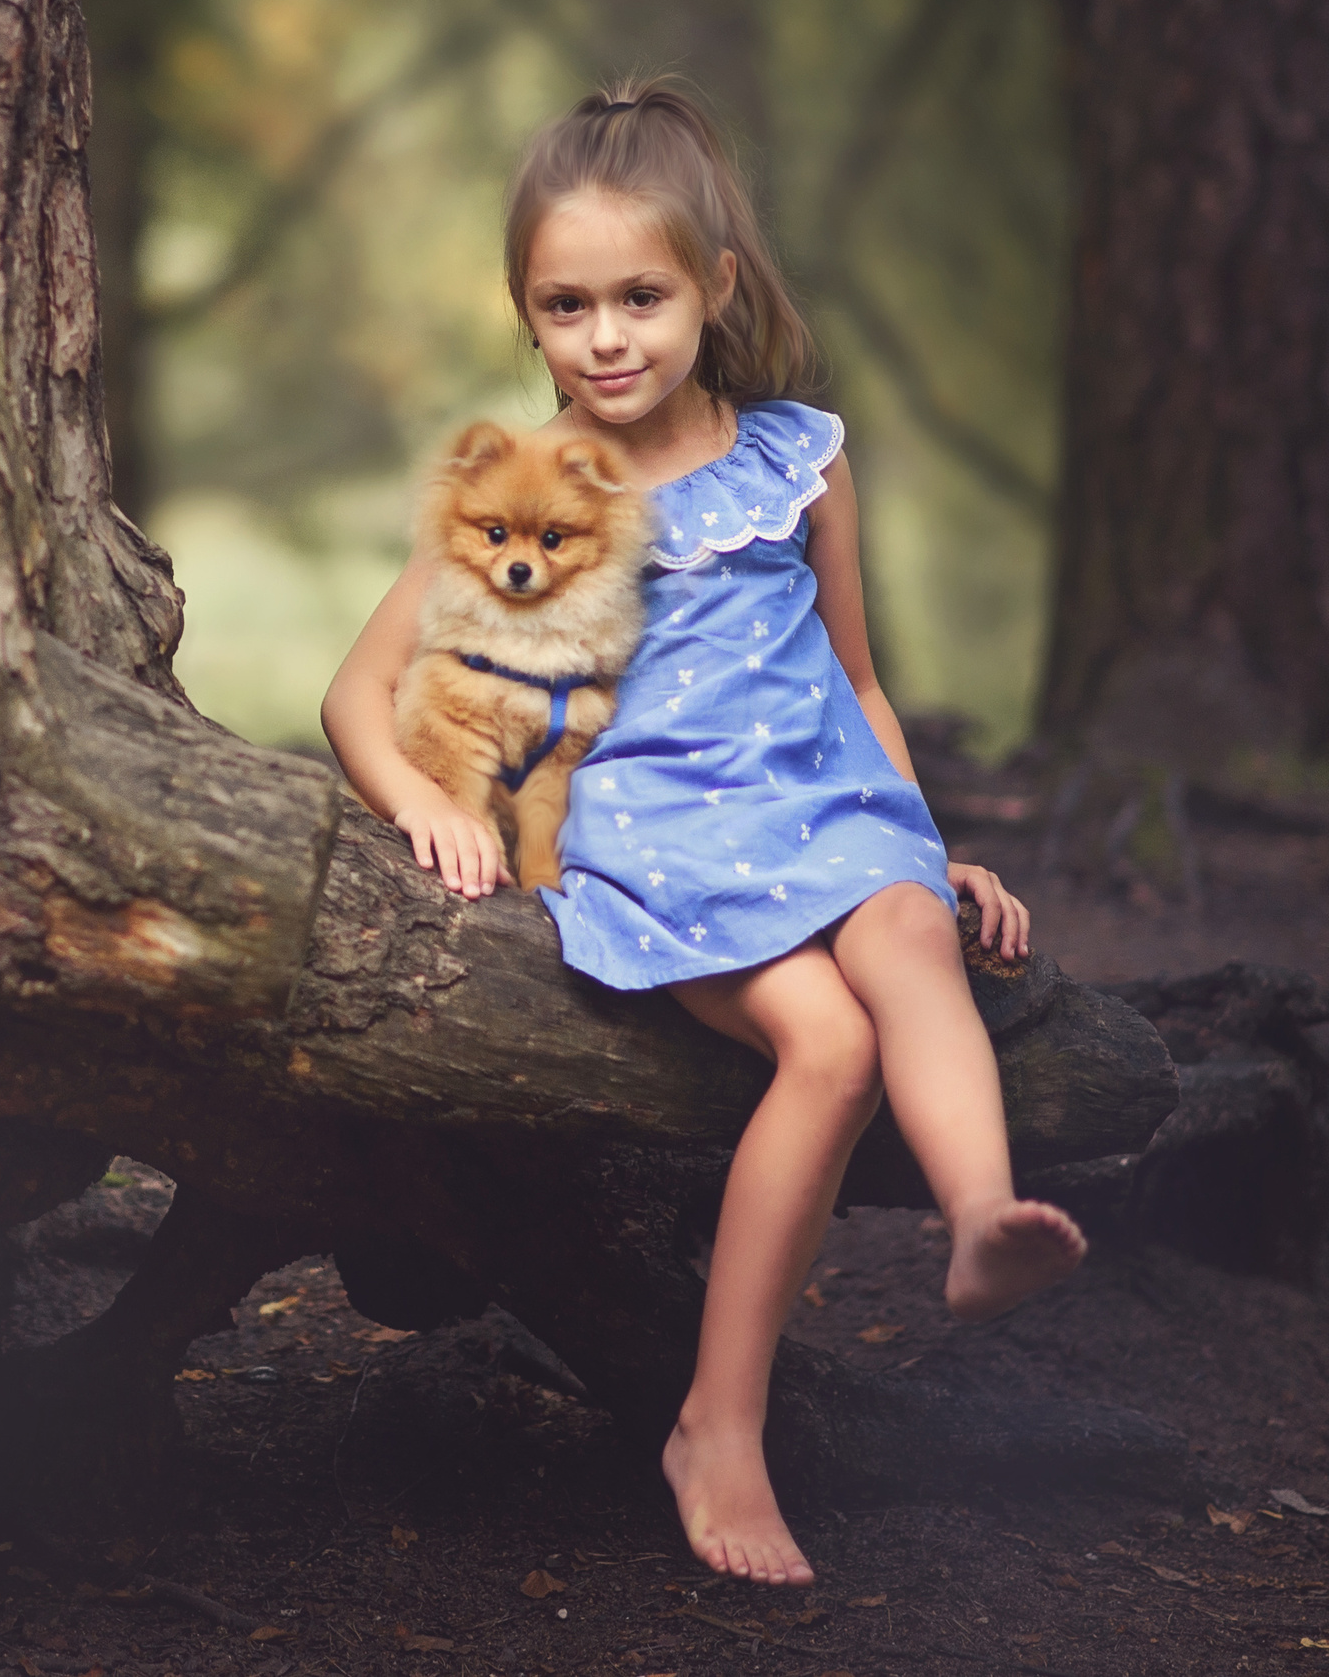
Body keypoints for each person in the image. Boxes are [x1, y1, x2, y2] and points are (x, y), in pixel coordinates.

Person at [320, 81, 1085, 1587]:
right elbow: (359, 693)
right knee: (832, 1046)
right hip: (655, 839)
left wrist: (924, 845)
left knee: (914, 929)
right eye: (567, 303)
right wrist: (425, 808)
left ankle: (982, 1214)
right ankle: (715, 1429)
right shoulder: (528, 488)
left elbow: (857, 678)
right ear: (527, 315)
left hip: (823, 809)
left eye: (642, 296)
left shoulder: (799, 456)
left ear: (717, 286)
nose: (607, 336)